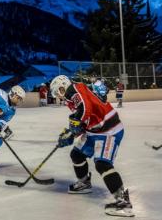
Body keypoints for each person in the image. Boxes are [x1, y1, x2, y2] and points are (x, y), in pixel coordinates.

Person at [50, 75, 134, 217]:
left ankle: (123, 203)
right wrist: (71, 134)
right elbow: (84, 119)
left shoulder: (73, 89)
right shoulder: (73, 96)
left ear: (62, 86)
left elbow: (85, 108)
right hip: (95, 130)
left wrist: (75, 125)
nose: (58, 96)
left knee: (102, 164)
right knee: (76, 154)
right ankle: (84, 183)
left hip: (109, 130)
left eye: (58, 92)